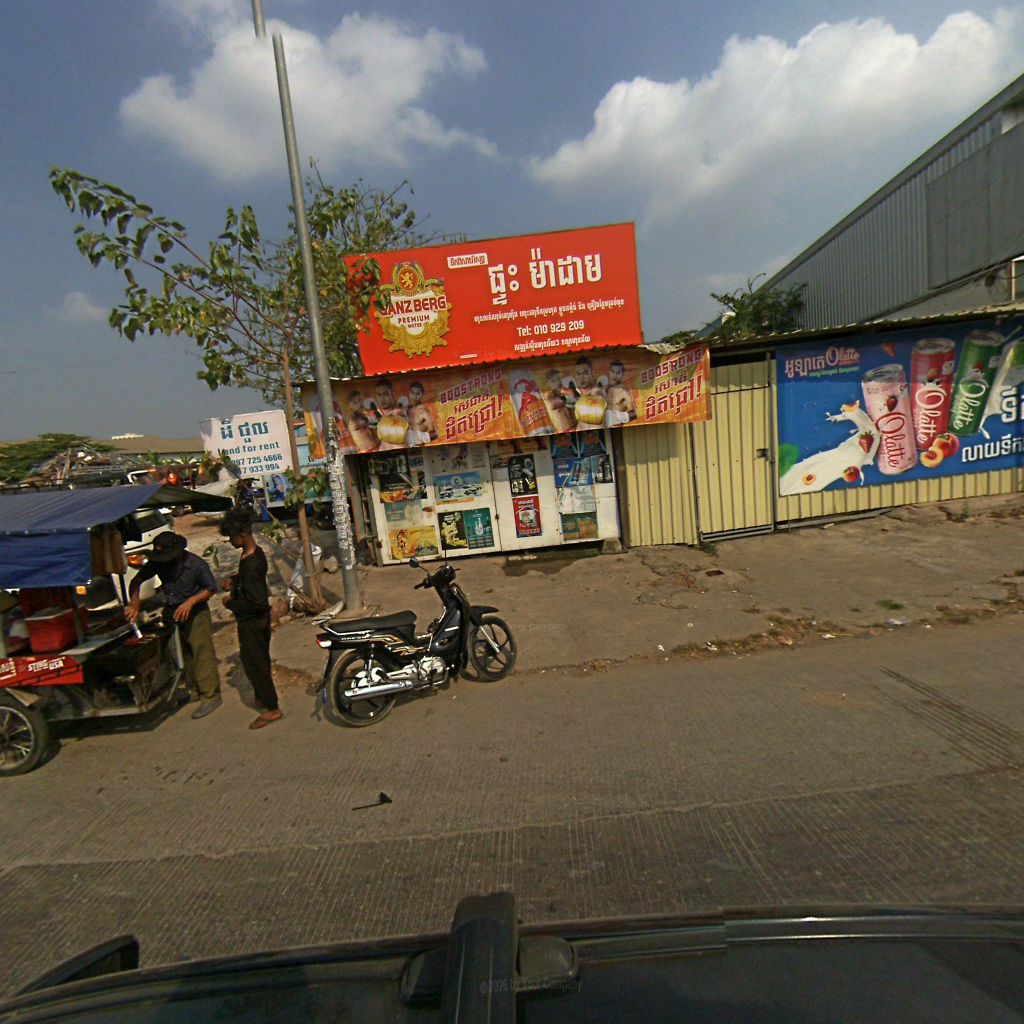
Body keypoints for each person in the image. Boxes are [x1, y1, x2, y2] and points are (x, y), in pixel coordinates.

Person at [125, 532, 222, 719]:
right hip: (172, 610)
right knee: (182, 652)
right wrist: (134, 604)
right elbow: (136, 581)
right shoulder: (158, 563)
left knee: (202, 653)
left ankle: (211, 695)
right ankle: (194, 688)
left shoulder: (196, 565)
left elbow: (210, 588)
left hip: (195, 612)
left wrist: (190, 602)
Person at [219, 510, 282, 730]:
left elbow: (256, 603)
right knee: (252, 660)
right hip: (253, 621)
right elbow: (248, 580)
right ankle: (262, 697)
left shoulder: (253, 562)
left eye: (232, 537)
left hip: (253, 621)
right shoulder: (251, 556)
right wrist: (234, 581)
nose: (230, 541)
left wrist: (230, 603)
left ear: (243, 535)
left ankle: (272, 708)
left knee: (257, 665)